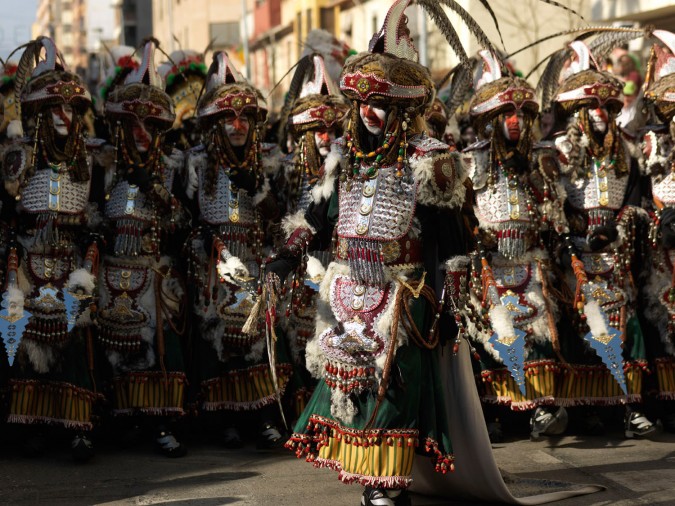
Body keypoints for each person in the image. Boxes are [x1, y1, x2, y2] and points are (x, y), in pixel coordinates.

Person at [272, 2, 473, 503]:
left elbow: (453, 247)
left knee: (393, 392)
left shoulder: (432, 162)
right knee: (351, 387)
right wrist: (281, 261)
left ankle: (389, 484)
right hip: (345, 290)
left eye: (379, 102)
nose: (368, 112)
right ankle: (372, 478)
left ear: (404, 110)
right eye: (361, 102)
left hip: (401, 296)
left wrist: (451, 306)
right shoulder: (344, 160)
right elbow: (314, 220)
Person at [459, 50, 570, 441]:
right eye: (507, 114)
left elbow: (555, 212)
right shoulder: (471, 162)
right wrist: (476, 237)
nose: (516, 122)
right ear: (490, 121)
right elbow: (461, 216)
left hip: (528, 263)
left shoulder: (541, 160)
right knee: (492, 336)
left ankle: (541, 407)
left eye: (522, 115)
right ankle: (500, 414)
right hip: (487, 268)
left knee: (538, 329)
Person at [1, 37, 102, 461]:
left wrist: (90, 261)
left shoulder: (90, 162)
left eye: (72, 110)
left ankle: (76, 428)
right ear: (39, 114)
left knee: (73, 342)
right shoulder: (17, 158)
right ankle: (30, 426)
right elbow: (9, 212)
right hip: (26, 264)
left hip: (70, 265)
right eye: (56, 109)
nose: (65, 117)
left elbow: (95, 222)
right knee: (23, 344)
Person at [184, 51, 286, 449]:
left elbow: (281, 217)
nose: (239, 125)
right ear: (216, 123)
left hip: (256, 261)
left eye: (245, 118)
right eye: (229, 117)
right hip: (212, 266)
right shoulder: (195, 163)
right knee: (218, 343)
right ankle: (224, 420)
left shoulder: (270, 161)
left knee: (257, 342)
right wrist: (205, 240)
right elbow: (184, 213)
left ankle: (261, 418)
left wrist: (256, 190)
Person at [552, 41, 654, 438]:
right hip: (576, 259)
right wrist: (571, 237)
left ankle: (630, 408)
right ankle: (585, 409)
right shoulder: (557, 153)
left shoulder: (627, 152)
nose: (599, 114)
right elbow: (551, 206)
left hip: (613, 257)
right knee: (582, 329)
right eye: (591, 107)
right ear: (578, 112)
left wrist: (619, 228)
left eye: (606, 107)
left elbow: (635, 204)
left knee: (626, 330)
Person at [99, 39, 189, 457]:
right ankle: (126, 420)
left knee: (158, 354)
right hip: (112, 273)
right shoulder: (103, 167)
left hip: (154, 273)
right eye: (131, 126)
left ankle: (160, 423)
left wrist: (154, 189)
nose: (139, 135)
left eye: (148, 127)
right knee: (117, 351)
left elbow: (184, 222)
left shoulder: (173, 168)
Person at [276, 51, 350, 418]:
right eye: (319, 131)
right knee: (298, 339)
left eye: (333, 130)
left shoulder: (347, 169)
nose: (327, 137)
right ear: (304, 134)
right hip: (300, 269)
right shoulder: (284, 171)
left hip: (340, 267)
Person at [639, 29, 675, 433]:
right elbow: (639, 189)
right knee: (662, 317)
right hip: (660, 247)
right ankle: (664, 401)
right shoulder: (651, 142)